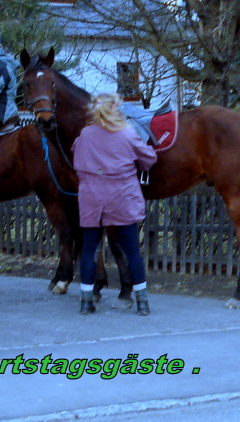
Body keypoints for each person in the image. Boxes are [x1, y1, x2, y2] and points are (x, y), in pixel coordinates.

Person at [72, 93, 157, 315]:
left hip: (92, 198)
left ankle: (86, 302)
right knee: (132, 252)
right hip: (122, 198)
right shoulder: (127, 134)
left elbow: (76, 159)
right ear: (116, 108)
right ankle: (142, 303)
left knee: (89, 251)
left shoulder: (85, 135)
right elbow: (148, 159)